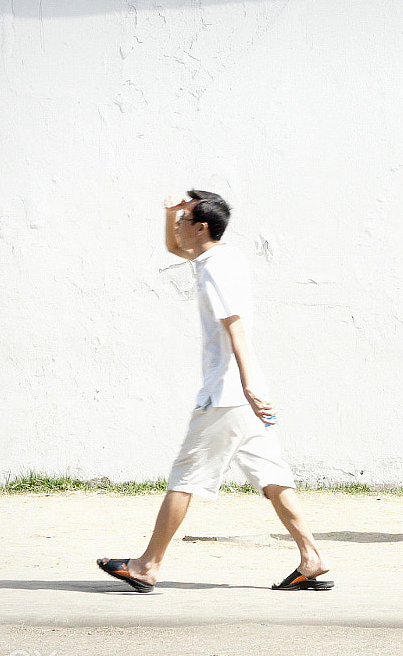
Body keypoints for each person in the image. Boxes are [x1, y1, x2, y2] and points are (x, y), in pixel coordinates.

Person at [97, 190, 331, 593]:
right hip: (241, 398)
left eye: (183, 220)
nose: (177, 228)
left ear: (201, 227)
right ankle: (311, 557)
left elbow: (234, 325)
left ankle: (147, 565)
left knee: (185, 476)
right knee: (272, 476)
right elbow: (174, 246)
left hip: (226, 396)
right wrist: (171, 213)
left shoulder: (215, 268)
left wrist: (248, 384)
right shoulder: (220, 258)